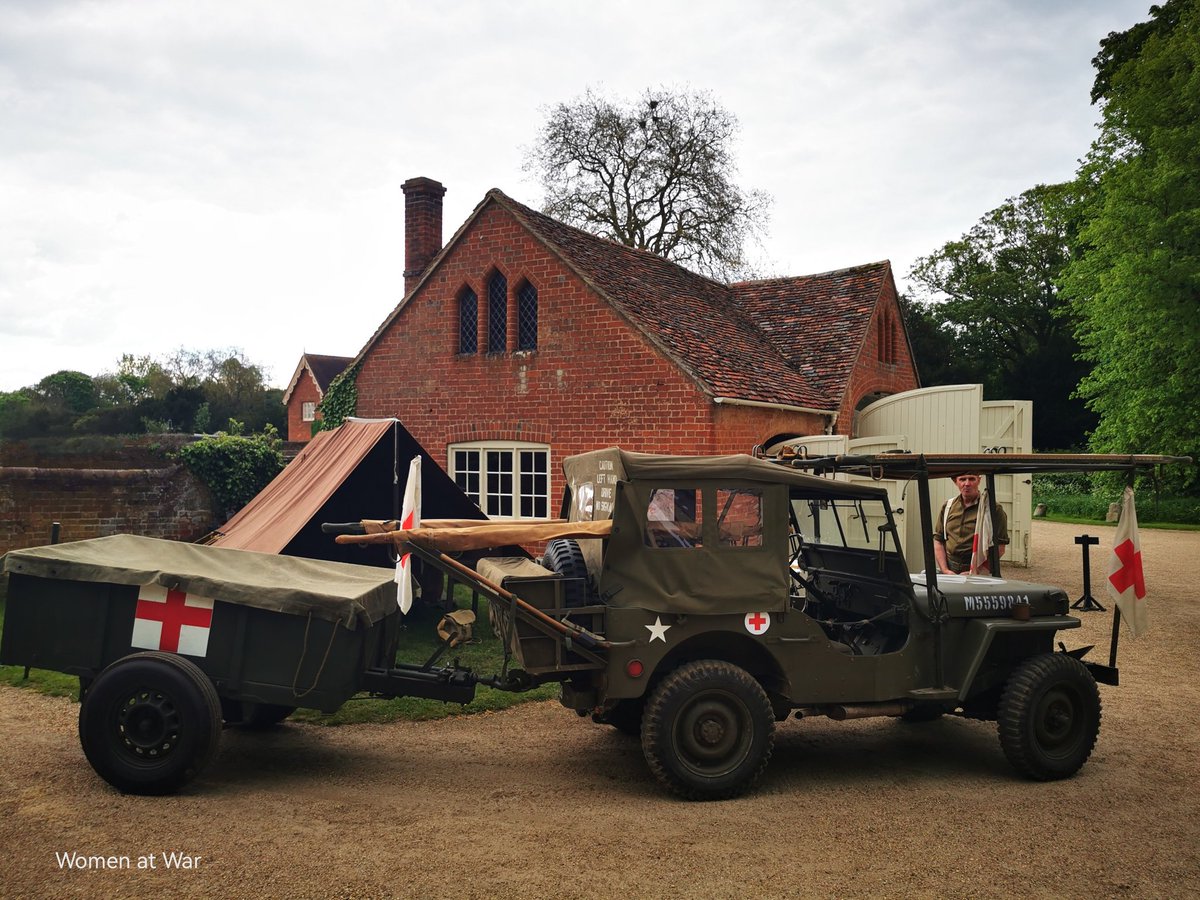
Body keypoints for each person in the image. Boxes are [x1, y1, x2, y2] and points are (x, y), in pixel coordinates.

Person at [933, 473, 1009, 575]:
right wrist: (945, 570)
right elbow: (938, 541)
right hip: (950, 568)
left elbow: (1000, 547)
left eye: (972, 479)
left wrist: (976, 571)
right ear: (955, 481)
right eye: (962, 479)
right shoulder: (948, 507)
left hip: (979, 569)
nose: (967, 483)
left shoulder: (992, 509)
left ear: (979, 480)